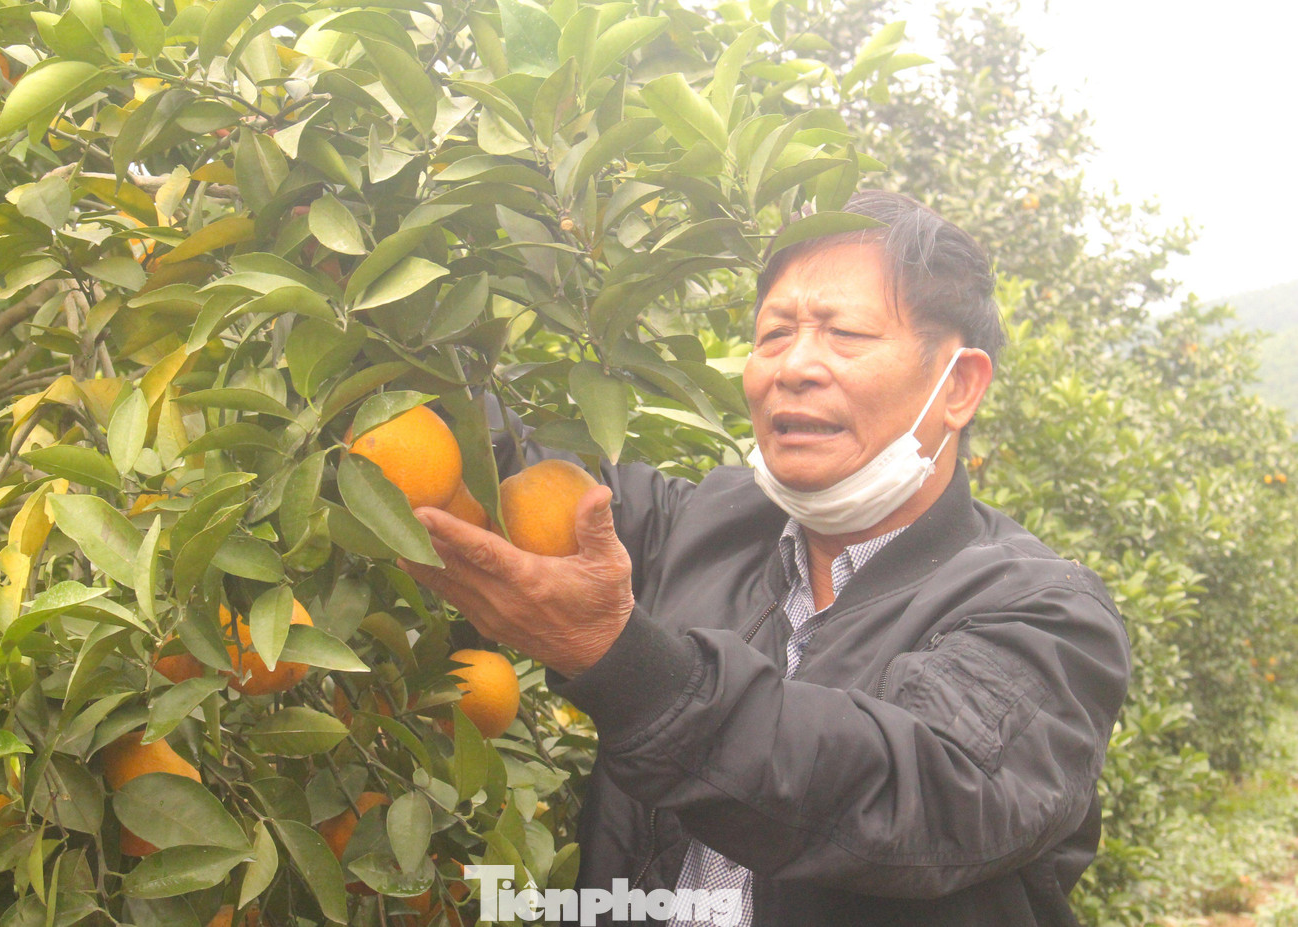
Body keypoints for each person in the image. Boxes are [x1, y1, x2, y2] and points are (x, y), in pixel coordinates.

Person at [401, 191, 1131, 926]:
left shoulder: (1045, 612)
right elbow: (510, 469)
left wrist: (623, 660)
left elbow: (912, 795)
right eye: (774, 334)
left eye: (844, 334)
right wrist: (371, 311)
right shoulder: (701, 529)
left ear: (960, 386)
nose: (795, 366)